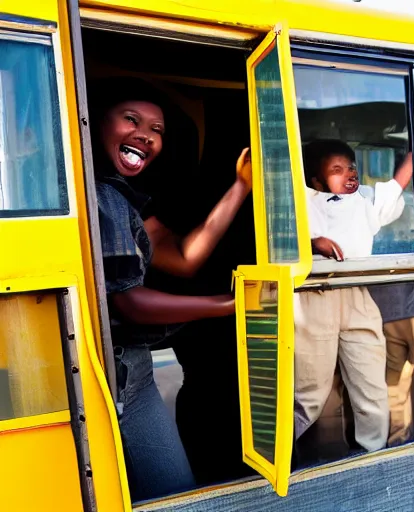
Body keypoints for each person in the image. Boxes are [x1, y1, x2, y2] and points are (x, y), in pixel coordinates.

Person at [90, 77, 252, 502]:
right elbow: (129, 302)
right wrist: (228, 304)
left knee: (167, 488)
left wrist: (240, 187)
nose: (144, 134)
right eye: (131, 119)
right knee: (168, 488)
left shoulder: (123, 199)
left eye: (157, 129)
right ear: (93, 120)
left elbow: (184, 257)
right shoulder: (102, 196)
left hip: (136, 370)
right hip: (117, 367)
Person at [294, 139, 414, 452]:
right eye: (337, 169)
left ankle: (372, 455)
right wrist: (310, 244)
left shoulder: (364, 200)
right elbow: (274, 239)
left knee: (371, 385)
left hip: (357, 292)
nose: (349, 173)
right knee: (308, 391)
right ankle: (278, 459)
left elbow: (396, 185)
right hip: (313, 293)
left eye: (352, 167)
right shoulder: (298, 199)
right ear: (316, 180)